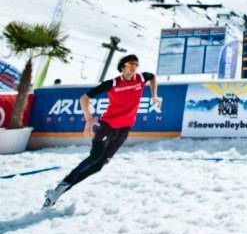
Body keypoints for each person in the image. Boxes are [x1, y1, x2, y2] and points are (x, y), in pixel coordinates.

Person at [43, 54, 160, 207]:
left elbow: (153, 77)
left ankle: (57, 193)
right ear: (123, 66)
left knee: (98, 166)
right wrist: (89, 118)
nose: (134, 67)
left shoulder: (141, 78)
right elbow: (84, 98)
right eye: (131, 64)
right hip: (108, 127)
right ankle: (59, 189)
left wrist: (154, 95)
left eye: (136, 64)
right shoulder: (112, 83)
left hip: (124, 129)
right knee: (94, 157)